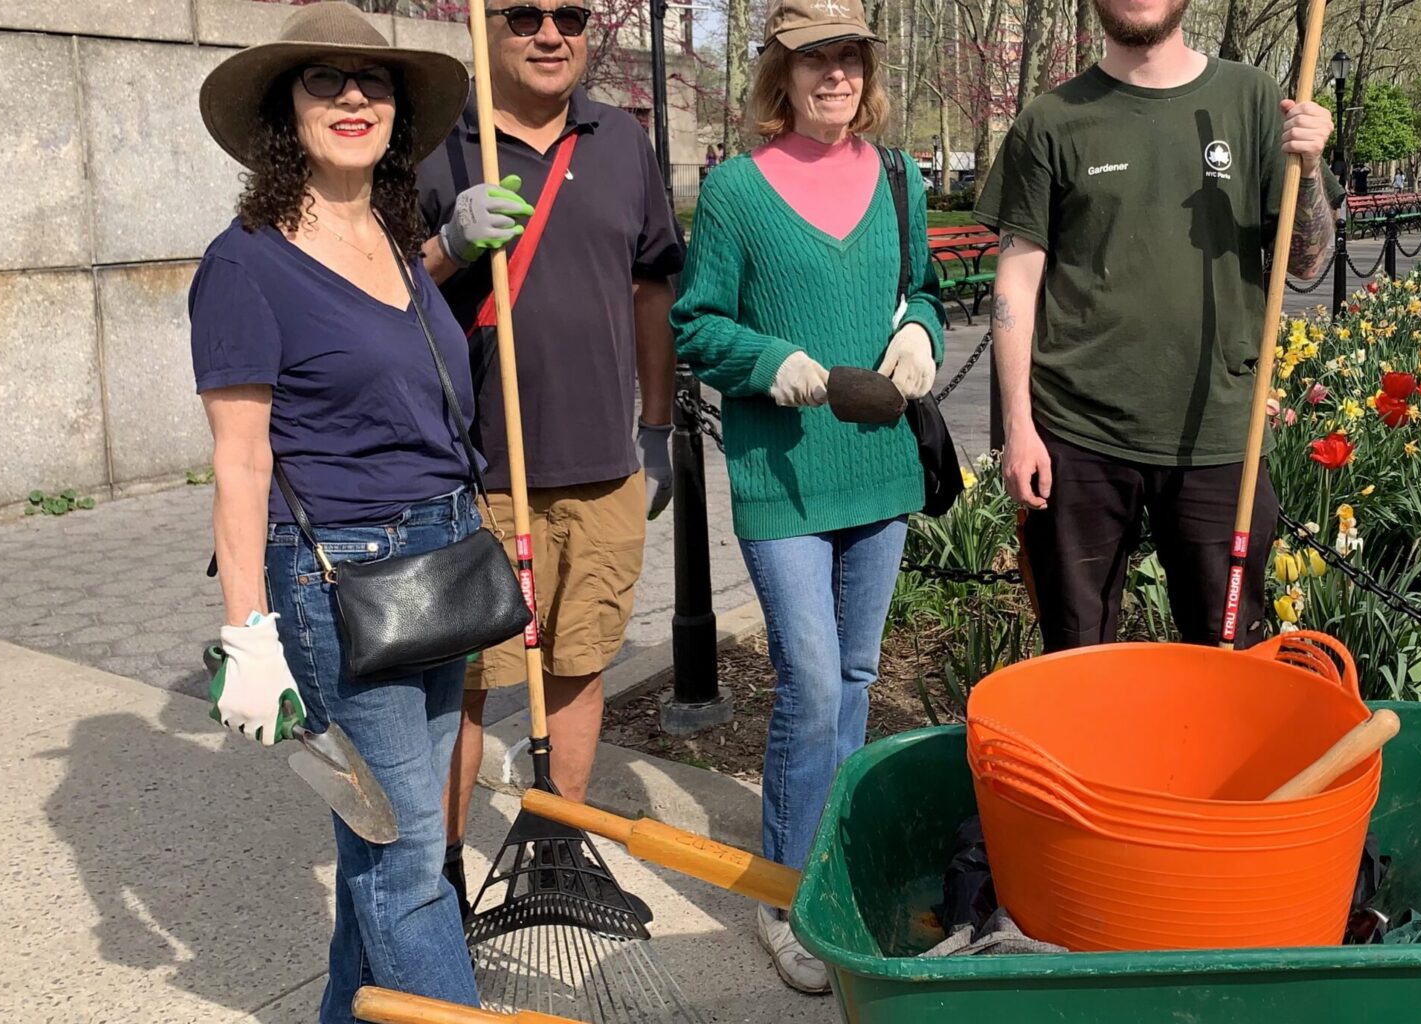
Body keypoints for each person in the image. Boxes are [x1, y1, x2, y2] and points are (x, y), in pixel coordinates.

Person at [188, 5, 482, 1020]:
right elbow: (238, 464)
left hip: (443, 565)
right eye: (326, 80)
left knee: (386, 843)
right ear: (286, 111)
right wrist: (245, 641)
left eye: (375, 80)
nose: (355, 97)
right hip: (339, 584)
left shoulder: (393, 241)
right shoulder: (247, 264)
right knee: (408, 864)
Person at [671, 0, 942, 994]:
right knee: (814, 682)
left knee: (860, 676)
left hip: (878, 469)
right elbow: (696, 326)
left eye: (849, 57)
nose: (834, 74)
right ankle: (785, 894)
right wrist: (767, 357)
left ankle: (832, 863)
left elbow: (924, 292)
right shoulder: (738, 192)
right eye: (811, 58)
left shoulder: (902, 178)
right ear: (776, 75)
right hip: (780, 474)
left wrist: (919, 331)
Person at [415, 0, 685, 915]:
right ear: (485, 31)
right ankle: (441, 874)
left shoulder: (619, 144)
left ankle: (557, 850)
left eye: (568, 14)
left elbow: (652, 287)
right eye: (524, 13)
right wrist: (446, 247)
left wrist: (657, 423)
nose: (548, 33)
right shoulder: (434, 147)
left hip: (602, 466)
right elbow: (377, 296)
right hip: (479, 474)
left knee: (578, 661)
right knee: (466, 685)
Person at [977, 0, 1336, 653]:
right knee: (1078, 656)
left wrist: (1308, 172)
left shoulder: (1250, 98)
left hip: (1220, 430)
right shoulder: (1052, 121)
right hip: (1076, 435)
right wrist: (1020, 429)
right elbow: (1017, 281)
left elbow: (1307, 263)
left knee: (1226, 657)